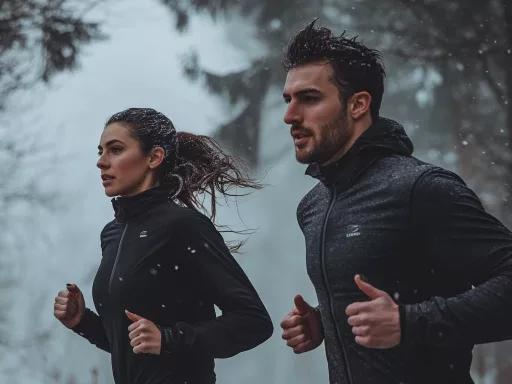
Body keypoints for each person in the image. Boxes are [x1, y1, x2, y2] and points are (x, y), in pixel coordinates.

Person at [279, 19, 512, 384]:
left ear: (358, 104)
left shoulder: (422, 189)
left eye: (309, 98)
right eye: (288, 100)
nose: (290, 116)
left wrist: (409, 323)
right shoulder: (313, 206)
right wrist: (328, 321)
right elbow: (390, 289)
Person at [53, 108, 273, 384]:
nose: (101, 162)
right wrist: (81, 321)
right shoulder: (112, 233)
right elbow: (133, 345)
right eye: (100, 151)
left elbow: (253, 322)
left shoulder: (184, 226)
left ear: (154, 157)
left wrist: (170, 338)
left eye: (116, 150)